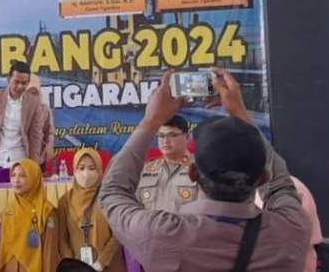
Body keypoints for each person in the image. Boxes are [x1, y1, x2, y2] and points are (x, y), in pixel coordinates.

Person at [98, 68, 311, 271]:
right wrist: (239, 112)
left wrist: (151, 120)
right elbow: (280, 186)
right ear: (262, 178)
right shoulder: (291, 230)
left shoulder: (161, 234)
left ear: (193, 173)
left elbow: (112, 192)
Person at [56, 148, 123, 272]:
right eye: (81, 168)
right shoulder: (65, 201)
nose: (86, 173)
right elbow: (62, 238)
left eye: (92, 168)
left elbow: (118, 233)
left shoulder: (109, 197)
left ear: (100, 171)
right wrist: (73, 264)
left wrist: (101, 262)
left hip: (109, 266)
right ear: (74, 171)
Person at [0, 61, 46, 181]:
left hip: (21, 161)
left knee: (20, 191)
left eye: (24, 83)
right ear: (9, 79)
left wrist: (34, 164)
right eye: (16, 82)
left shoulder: (34, 102)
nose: (20, 86)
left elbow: (35, 135)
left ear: (28, 83)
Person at [0, 158, 59, 272]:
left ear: (34, 178)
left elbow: (49, 253)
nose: (16, 180)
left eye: (22, 176)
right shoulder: (7, 211)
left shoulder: (47, 211)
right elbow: (3, 250)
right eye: (13, 175)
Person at [136, 114, 198, 211]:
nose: (165, 141)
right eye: (161, 136)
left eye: (172, 135)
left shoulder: (200, 168)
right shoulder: (146, 169)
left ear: (187, 137)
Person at [29, 75, 55, 169]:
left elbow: (50, 132)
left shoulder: (44, 109)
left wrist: (49, 146)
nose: (31, 96)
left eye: (34, 93)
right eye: (28, 92)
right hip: (18, 160)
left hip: (40, 159)